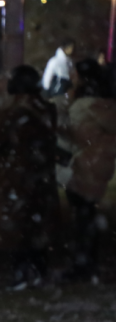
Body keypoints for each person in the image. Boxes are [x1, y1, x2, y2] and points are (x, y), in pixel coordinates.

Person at [0, 65, 60, 289]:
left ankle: (21, 275)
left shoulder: (13, 113)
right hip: (41, 177)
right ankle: (40, 271)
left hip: (15, 179)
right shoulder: (46, 109)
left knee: (18, 229)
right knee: (38, 225)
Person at [57, 59, 116, 282]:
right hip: (100, 167)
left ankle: (82, 265)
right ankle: (88, 263)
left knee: (83, 219)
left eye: (75, 74)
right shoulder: (106, 105)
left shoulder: (83, 107)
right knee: (87, 216)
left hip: (83, 166)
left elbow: (76, 135)